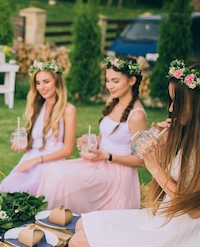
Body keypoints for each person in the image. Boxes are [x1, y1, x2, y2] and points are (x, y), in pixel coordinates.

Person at [67, 59, 200, 247]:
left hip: (176, 240)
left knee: (77, 245)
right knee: (83, 224)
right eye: (172, 100)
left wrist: (155, 167)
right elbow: (169, 177)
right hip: (161, 221)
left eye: (179, 101)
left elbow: (193, 210)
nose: (172, 108)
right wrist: (162, 143)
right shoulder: (192, 136)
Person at [36, 56, 148, 214]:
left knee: (62, 177)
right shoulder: (112, 101)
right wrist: (92, 141)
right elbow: (106, 136)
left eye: (115, 81)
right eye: (108, 80)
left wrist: (106, 156)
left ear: (132, 81)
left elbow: (142, 160)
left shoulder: (137, 116)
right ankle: (50, 218)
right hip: (99, 163)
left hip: (117, 175)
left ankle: (62, 219)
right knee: (53, 170)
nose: (110, 86)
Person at [0, 60, 76, 195]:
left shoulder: (68, 110)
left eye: (46, 82)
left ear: (57, 82)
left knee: (25, 193)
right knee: (5, 188)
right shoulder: (36, 107)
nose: (41, 87)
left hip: (51, 164)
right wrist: (23, 144)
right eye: (38, 83)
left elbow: (68, 150)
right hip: (30, 159)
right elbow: (34, 141)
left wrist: (36, 160)